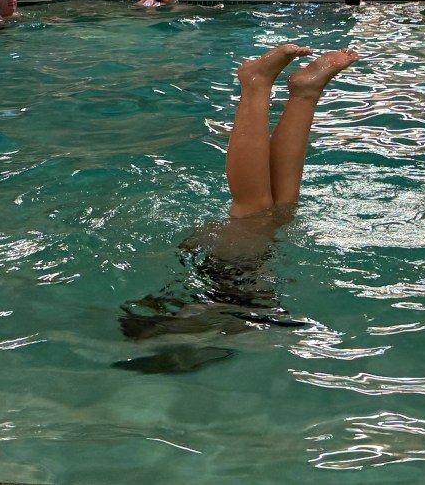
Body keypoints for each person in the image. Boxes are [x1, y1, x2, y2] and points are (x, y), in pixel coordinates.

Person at [115, 44, 359, 372]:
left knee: (254, 209)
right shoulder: (212, 322)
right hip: (232, 275)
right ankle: (305, 93)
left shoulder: (198, 321)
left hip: (225, 269)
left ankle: (255, 84)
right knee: (281, 208)